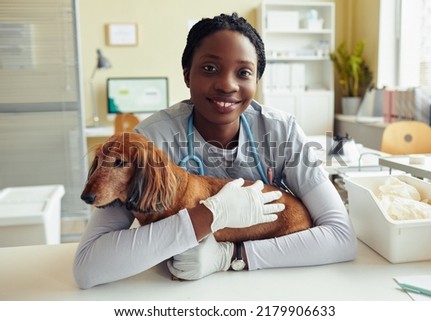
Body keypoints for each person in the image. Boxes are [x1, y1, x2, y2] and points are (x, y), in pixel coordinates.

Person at [73, 12, 357, 289]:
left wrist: (230, 257)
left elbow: (341, 238)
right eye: (210, 68)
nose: (227, 85)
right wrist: (209, 215)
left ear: (256, 82)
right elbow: (88, 268)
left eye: (244, 73)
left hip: (269, 287)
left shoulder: (281, 131)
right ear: (187, 75)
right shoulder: (149, 141)